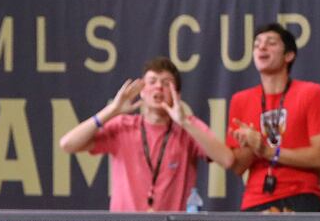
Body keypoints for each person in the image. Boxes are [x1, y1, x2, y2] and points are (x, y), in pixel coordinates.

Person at [59, 56, 235, 212]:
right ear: (142, 92)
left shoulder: (188, 127)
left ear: (177, 95)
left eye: (166, 83)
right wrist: (112, 110)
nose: (158, 87)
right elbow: (67, 144)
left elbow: (227, 160)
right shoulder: (123, 126)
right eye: (152, 81)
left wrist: (185, 123)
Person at [226, 23, 320, 212]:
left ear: (289, 55)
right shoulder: (240, 100)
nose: (261, 47)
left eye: (271, 43)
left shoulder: (312, 93)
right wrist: (253, 146)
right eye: (257, 44)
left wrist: (269, 152)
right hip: (254, 201)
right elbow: (237, 167)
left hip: (301, 196)